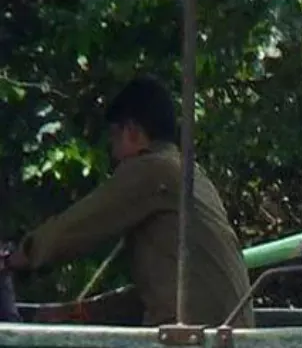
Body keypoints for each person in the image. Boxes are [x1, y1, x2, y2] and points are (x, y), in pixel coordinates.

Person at [6, 75, 254, 328]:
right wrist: (81, 312)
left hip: (199, 345)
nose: (113, 153)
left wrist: (16, 257)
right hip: (226, 333)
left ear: (133, 132)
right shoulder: (190, 174)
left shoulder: (152, 170)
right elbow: (161, 293)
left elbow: (77, 226)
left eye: (115, 138)